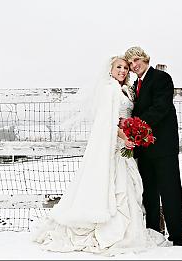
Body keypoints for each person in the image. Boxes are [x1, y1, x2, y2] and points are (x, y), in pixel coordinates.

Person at [32, 56, 165, 257]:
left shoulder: (125, 90)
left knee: (128, 187)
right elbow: (108, 122)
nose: (122, 70)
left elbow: (126, 117)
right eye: (118, 67)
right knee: (117, 186)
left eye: (126, 67)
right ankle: (111, 230)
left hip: (124, 145)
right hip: (115, 143)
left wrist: (132, 133)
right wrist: (124, 136)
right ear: (110, 69)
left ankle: (130, 230)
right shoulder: (108, 88)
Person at [123, 46, 182, 246]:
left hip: (163, 147)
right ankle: (153, 234)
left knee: (170, 191)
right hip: (144, 150)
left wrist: (135, 125)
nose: (134, 65)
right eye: (131, 63)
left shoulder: (161, 78)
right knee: (149, 193)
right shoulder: (136, 85)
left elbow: (161, 108)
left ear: (144, 58)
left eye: (136, 60)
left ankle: (178, 237)